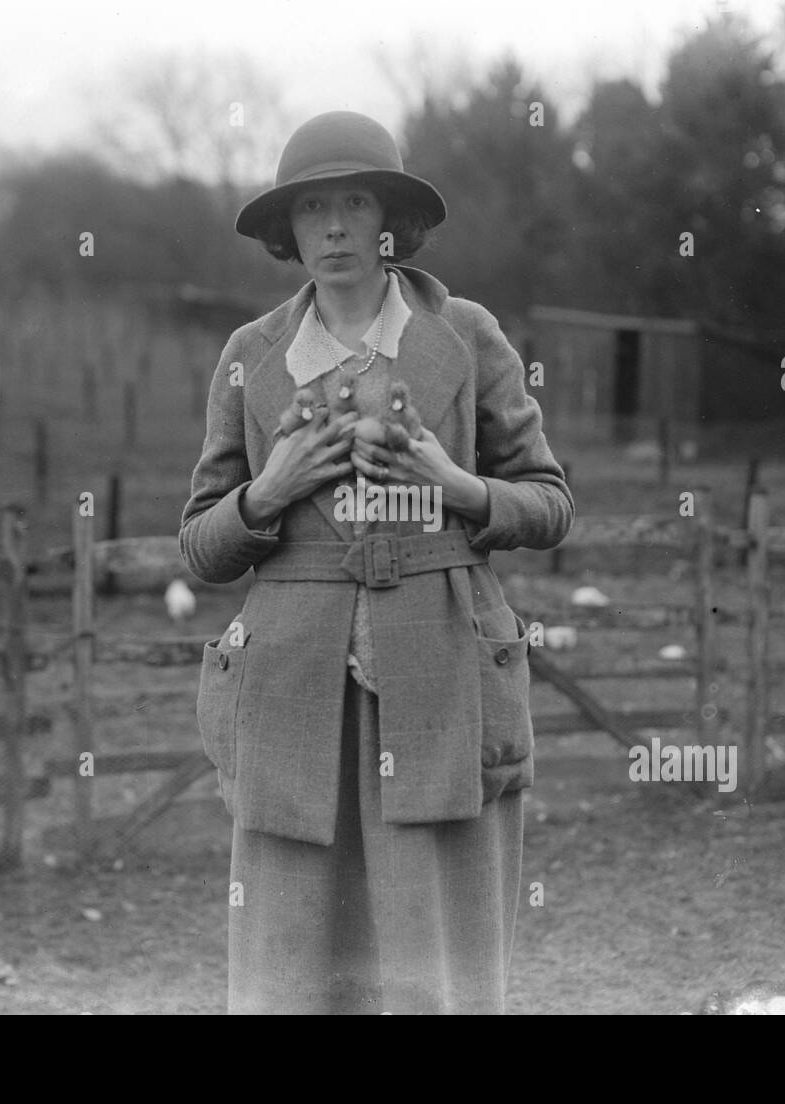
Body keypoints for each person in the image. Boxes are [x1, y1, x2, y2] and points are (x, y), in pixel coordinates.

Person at [179, 110, 573, 1014]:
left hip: (440, 674)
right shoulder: (251, 356)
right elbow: (201, 543)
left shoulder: (467, 336)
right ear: (288, 230)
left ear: (391, 217)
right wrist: (267, 492)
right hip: (291, 692)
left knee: (435, 961)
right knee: (292, 963)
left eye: (356, 203)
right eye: (312, 209)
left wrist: (458, 485)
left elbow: (550, 505)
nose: (334, 228)